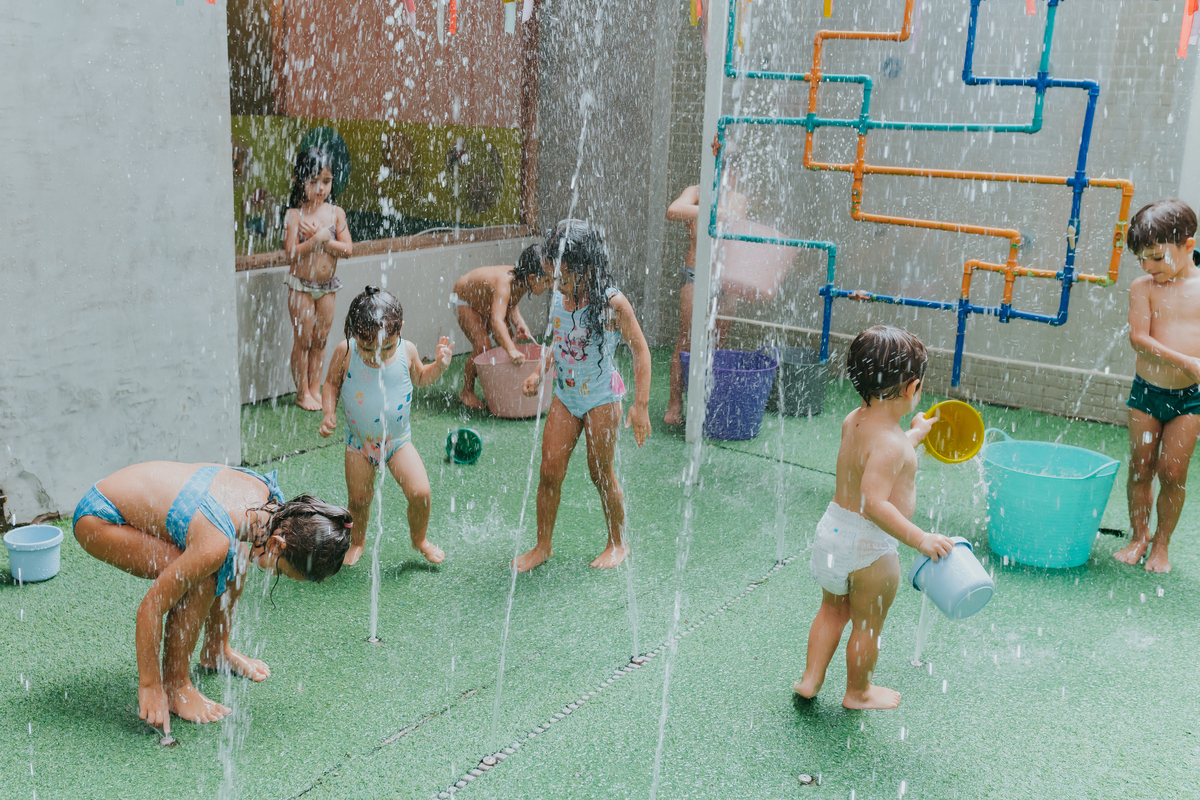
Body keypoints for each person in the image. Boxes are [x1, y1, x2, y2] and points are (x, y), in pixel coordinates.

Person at [72, 462, 352, 734]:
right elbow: (151, 608)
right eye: (285, 573)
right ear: (278, 544)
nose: (280, 576)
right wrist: (149, 685)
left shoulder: (265, 504)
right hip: (102, 518)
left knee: (238, 555)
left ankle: (216, 650)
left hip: (128, 500)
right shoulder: (216, 538)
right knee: (206, 575)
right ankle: (175, 686)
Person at [794, 326, 954, 710]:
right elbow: (874, 503)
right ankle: (858, 692)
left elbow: (884, 452)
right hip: (870, 547)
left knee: (831, 611)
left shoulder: (855, 420)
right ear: (911, 387)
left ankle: (811, 679)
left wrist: (915, 434)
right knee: (867, 625)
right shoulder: (892, 443)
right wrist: (920, 538)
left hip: (832, 531)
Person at [515, 219, 652, 572]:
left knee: (601, 472)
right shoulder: (564, 295)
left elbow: (640, 350)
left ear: (586, 269)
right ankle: (542, 545)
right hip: (566, 396)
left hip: (601, 399)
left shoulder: (611, 303)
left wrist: (641, 405)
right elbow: (559, 340)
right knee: (549, 471)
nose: (556, 286)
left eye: (561, 278)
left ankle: (618, 543)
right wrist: (537, 371)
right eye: (553, 277)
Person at [320, 286, 454, 567]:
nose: (377, 356)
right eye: (368, 349)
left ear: (400, 330)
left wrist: (439, 367)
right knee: (358, 500)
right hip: (359, 444)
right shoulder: (346, 352)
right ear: (355, 334)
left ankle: (420, 540)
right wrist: (328, 412)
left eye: (386, 347)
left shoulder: (408, 350)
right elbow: (331, 384)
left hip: (397, 442)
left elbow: (420, 377)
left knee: (421, 494)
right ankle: (357, 541)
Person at [1113, 199, 1200, 574]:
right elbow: (1139, 339)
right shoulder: (1144, 287)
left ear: (1188, 246)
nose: (1149, 267)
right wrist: (1187, 362)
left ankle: (1161, 544)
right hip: (1147, 393)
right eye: (1142, 259)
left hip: (1189, 398)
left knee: (1173, 473)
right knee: (1141, 467)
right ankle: (1138, 537)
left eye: (1157, 258)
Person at [663, 137, 748, 425]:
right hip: (696, 276)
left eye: (733, 166)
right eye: (724, 165)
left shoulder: (738, 199)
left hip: (726, 281)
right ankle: (675, 404)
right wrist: (714, 211)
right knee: (685, 341)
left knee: (718, 343)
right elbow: (674, 211)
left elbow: (735, 233)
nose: (729, 172)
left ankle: (708, 404)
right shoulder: (696, 192)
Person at [283, 147, 354, 411]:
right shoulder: (295, 215)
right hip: (301, 286)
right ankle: (302, 392)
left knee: (321, 338)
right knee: (304, 339)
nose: (320, 188)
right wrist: (314, 241)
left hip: (327, 286)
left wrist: (325, 239)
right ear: (300, 181)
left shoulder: (337, 214)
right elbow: (290, 254)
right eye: (313, 181)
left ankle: (315, 388)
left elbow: (348, 249)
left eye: (326, 181)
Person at [452, 245, 555, 409]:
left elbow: (510, 303)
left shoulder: (522, 281)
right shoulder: (505, 283)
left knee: (508, 341)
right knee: (483, 346)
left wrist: (519, 322)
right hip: (466, 301)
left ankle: (505, 387)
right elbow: (496, 321)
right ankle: (467, 391)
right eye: (547, 280)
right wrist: (511, 350)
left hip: (486, 302)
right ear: (533, 277)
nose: (550, 285)